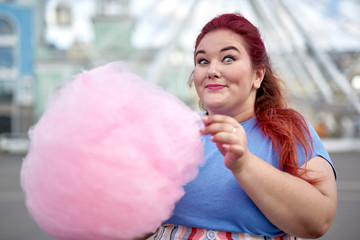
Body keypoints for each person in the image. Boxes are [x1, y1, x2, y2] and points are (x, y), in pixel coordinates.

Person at [153, 13, 337, 240]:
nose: (212, 70)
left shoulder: (290, 129)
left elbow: (319, 221)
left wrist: (244, 164)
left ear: (258, 75)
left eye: (228, 58)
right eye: (202, 61)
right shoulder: (174, 134)